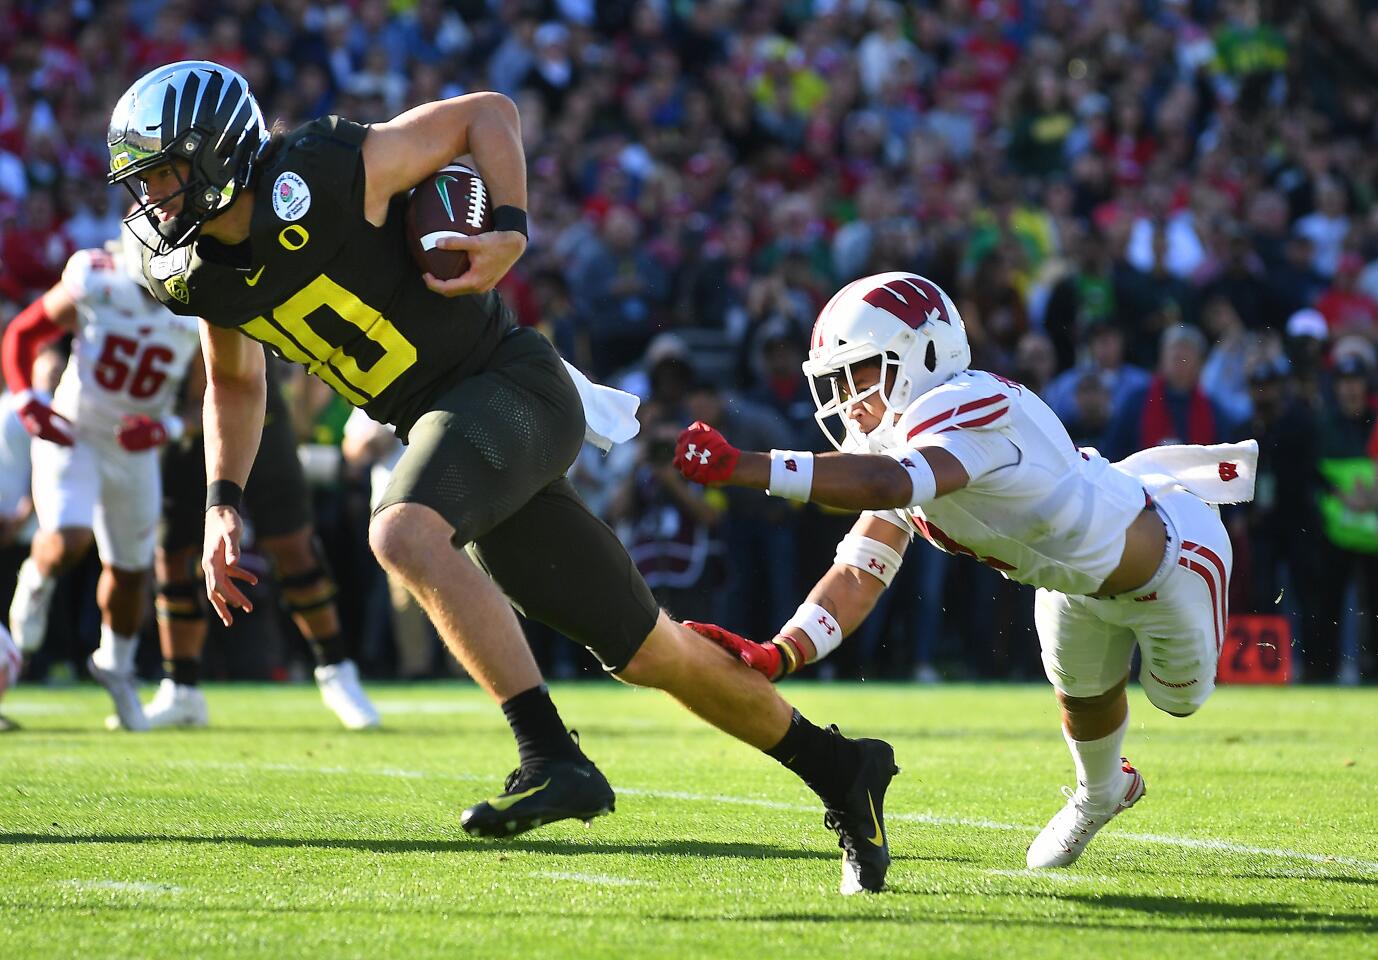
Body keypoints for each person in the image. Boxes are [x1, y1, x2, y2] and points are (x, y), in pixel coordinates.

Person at [107, 61, 896, 894]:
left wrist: (511, 229)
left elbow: (485, 113)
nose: (153, 197)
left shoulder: (320, 170)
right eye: (143, 180)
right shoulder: (190, 271)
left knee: (400, 529)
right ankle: (841, 768)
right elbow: (235, 380)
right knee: (650, 652)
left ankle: (551, 756)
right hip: (448, 427)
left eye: (166, 172)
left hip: (509, 384)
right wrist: (222, 501)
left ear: (224, 152)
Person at [675, 271, 1256, 868]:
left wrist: (744, 466)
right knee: (1083, 699)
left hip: (1171, 561)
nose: (847, 396)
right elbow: (856, 574)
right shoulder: (900, 445)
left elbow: (889, 483)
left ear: (924, 352)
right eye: (836, 381)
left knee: (1178, 700)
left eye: (861, 372)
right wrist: (780, 653)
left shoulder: (963, 404)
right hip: (1067, 584)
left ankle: (1114, 770)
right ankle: (1103, 793)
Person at [2, 233, 202, 731]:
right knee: (70, 540)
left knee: (131, 573)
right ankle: (37, 575)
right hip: (76, 433)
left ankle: (115, 666)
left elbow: (209, 398)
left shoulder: (198, 313)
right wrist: (29, 401)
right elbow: (24, 335)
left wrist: (167, 428)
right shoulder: (97, 278)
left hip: (135, 449)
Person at [148, 358, 380, 728]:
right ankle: (181, 686)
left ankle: (337, 671)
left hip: (258, 415)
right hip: (184, 432)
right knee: (173, 554)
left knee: (295, 548)